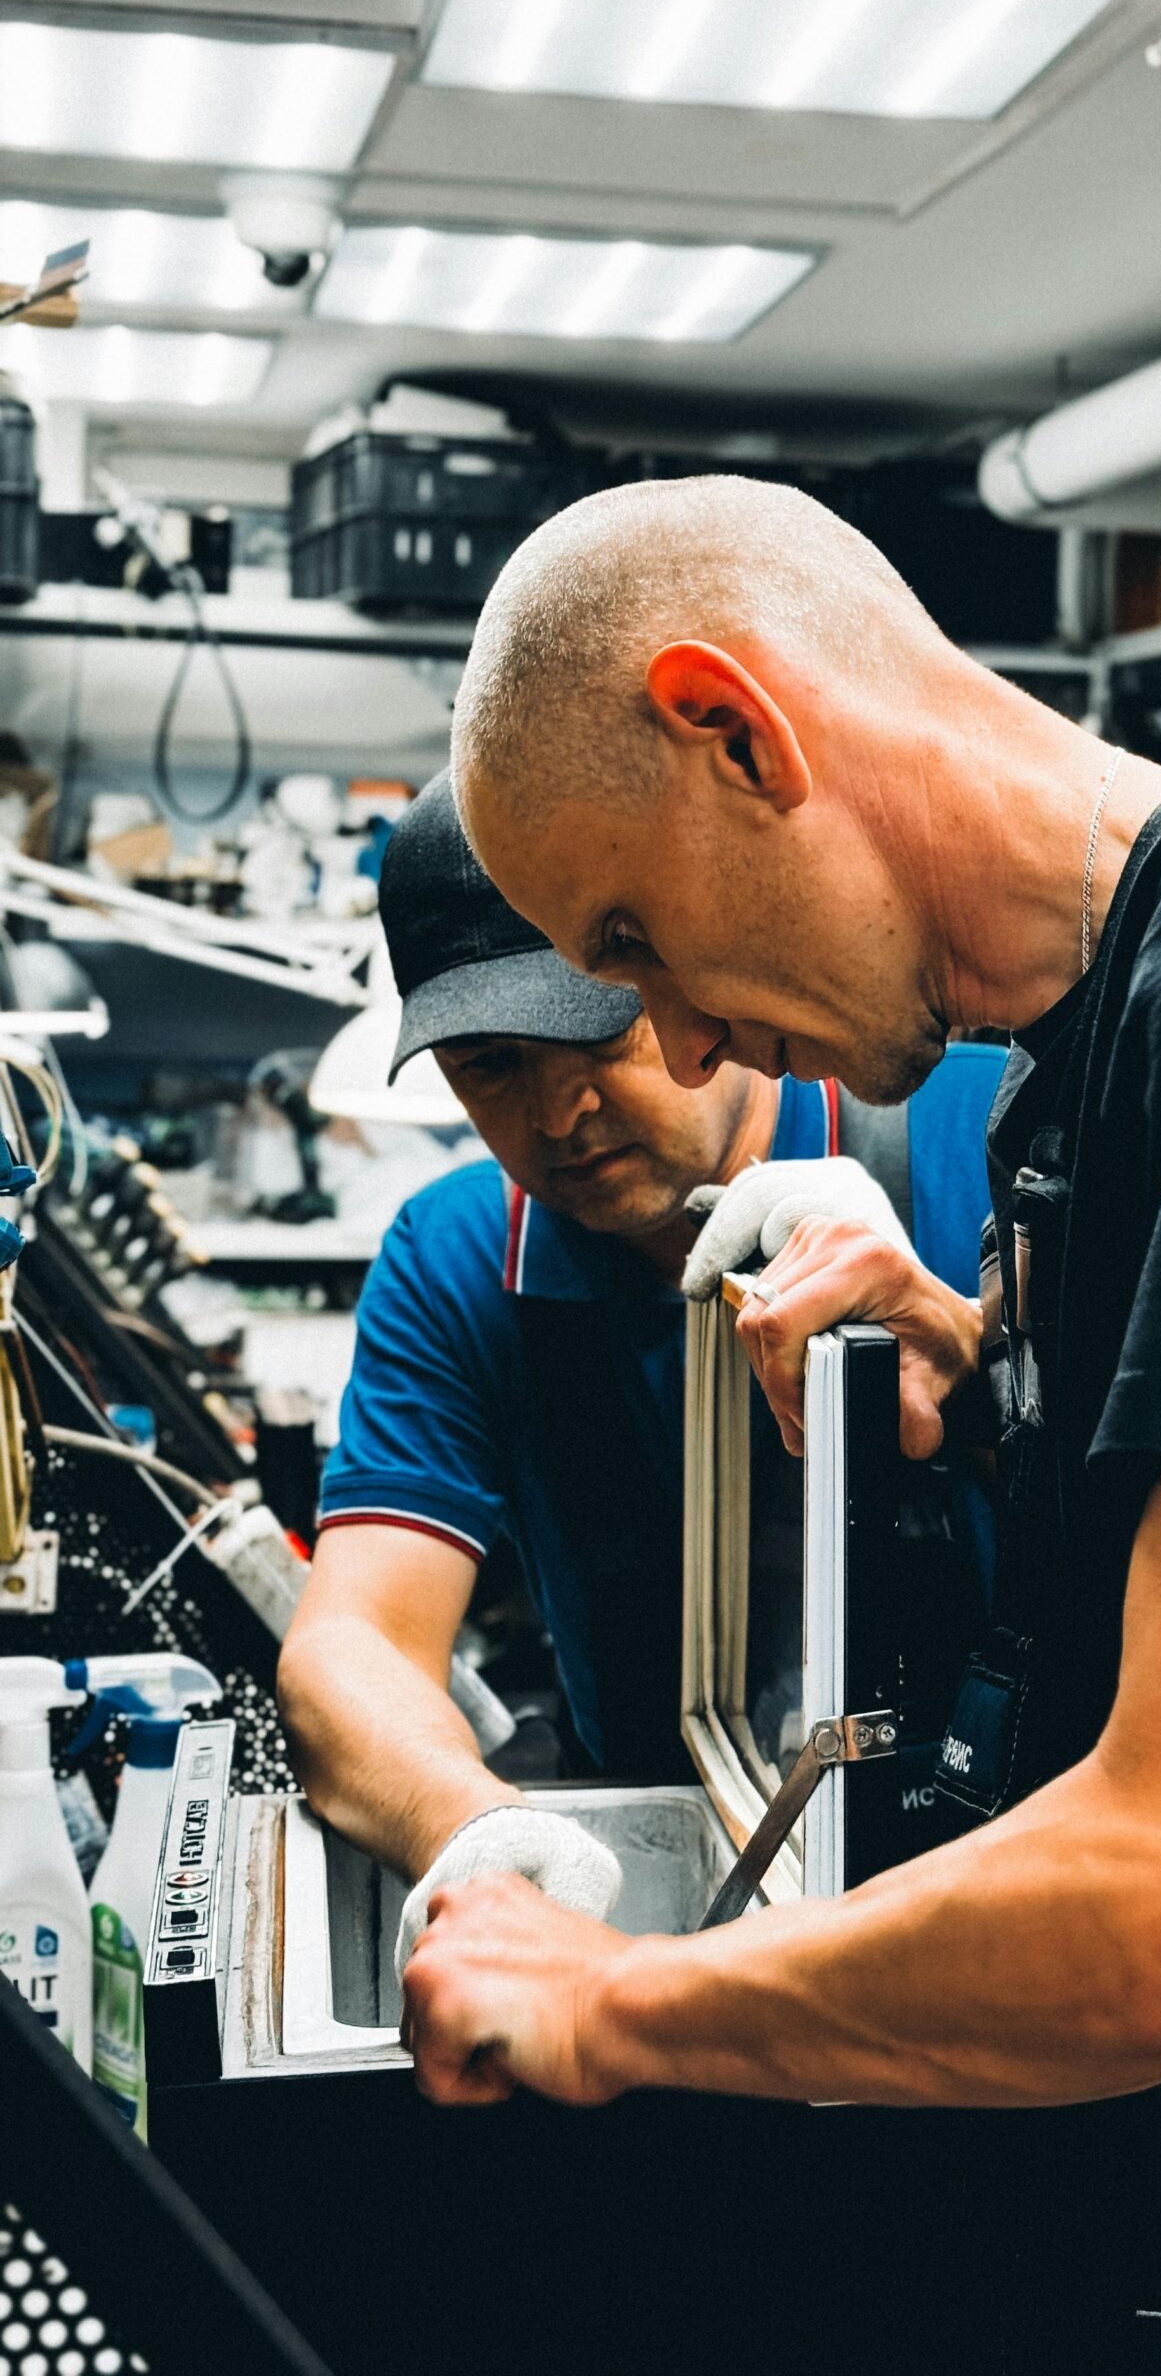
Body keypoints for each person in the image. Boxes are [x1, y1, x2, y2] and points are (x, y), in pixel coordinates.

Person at [403, 474, 1161, 2369]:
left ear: (739, 729)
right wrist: (980, 1395)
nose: (686, 1048)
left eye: (632, 938)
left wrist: (618, 2001)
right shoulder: (1074, 1081)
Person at [277, 771, 1003, 1967]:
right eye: (490, 1064)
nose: (558, 1113)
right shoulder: (463, 1256)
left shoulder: (978, 1135)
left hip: (999, 1877)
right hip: (671, 1887)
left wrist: (958, 1350)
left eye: (597, 1028)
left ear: (693, 972)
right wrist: (478, 1832)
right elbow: (349, 1652)